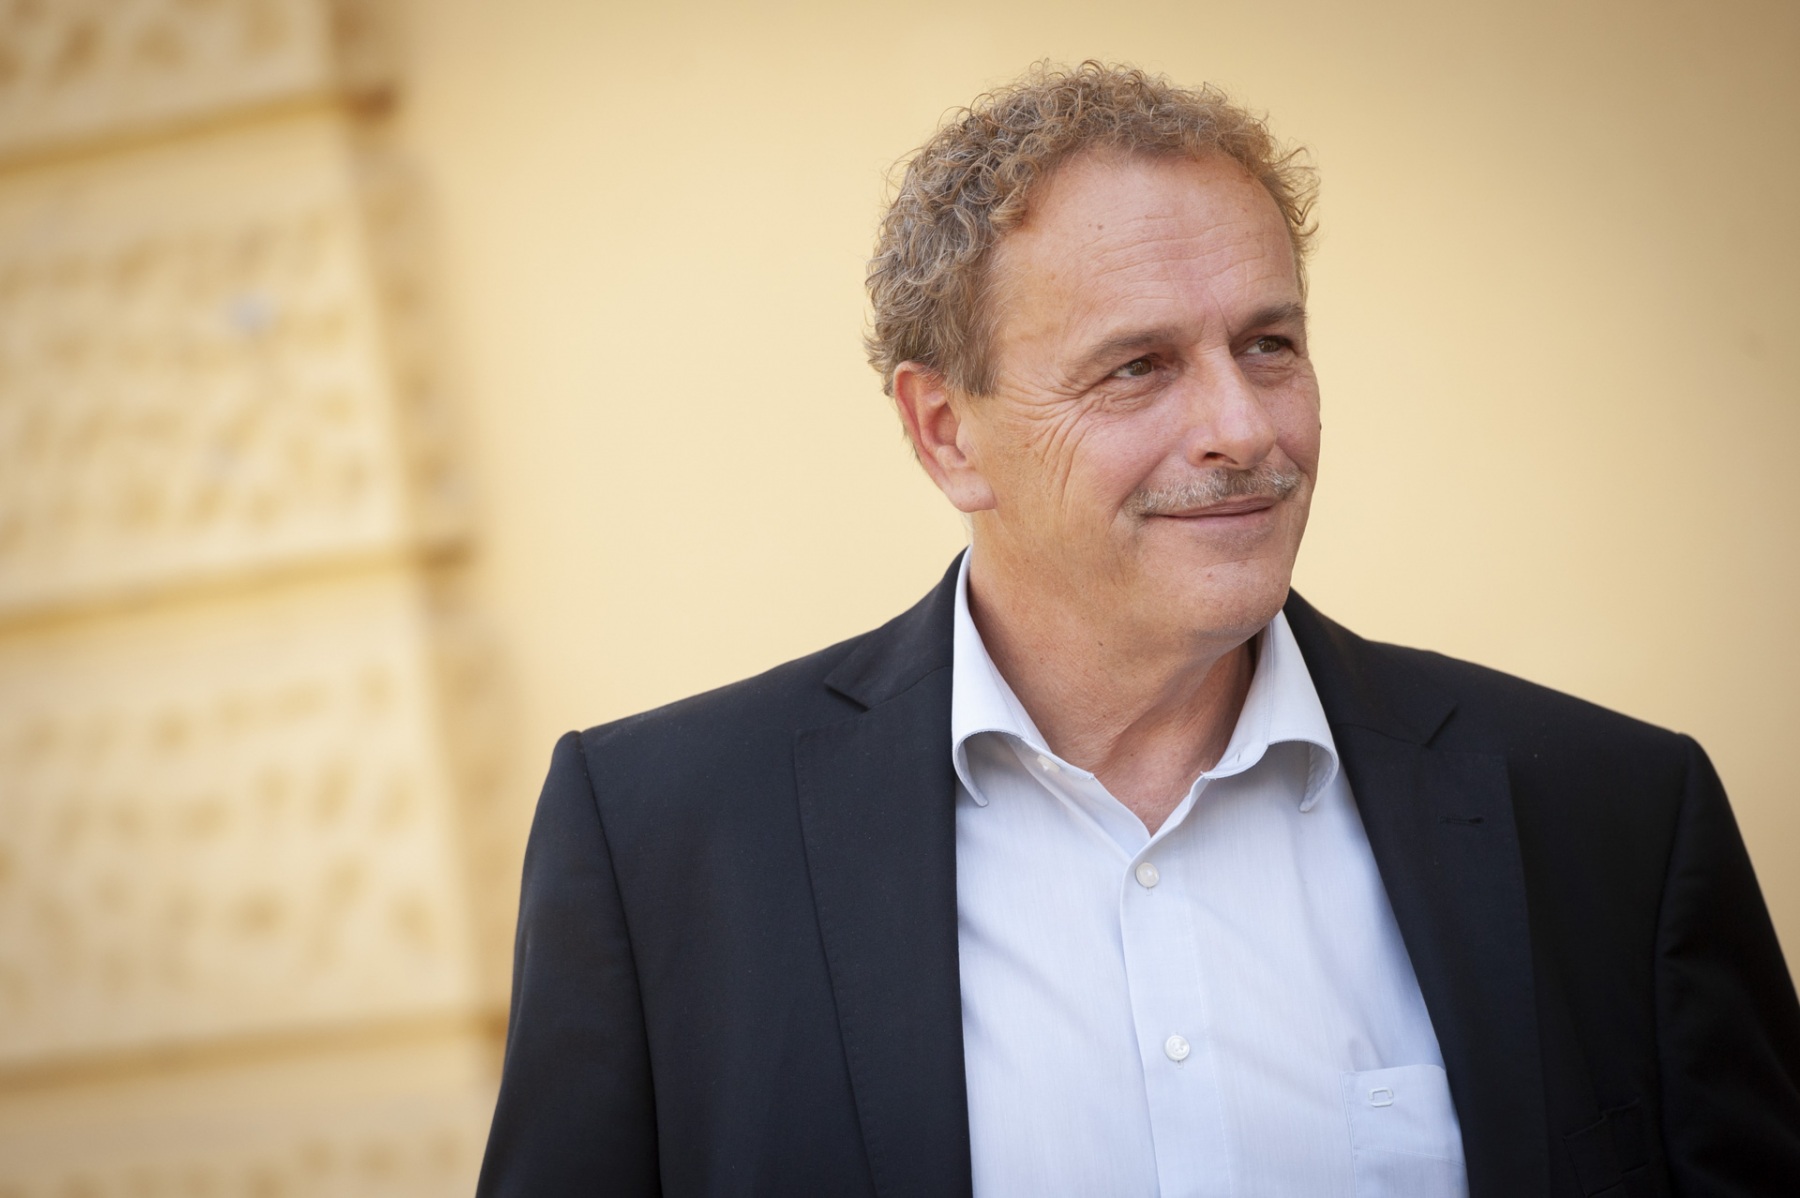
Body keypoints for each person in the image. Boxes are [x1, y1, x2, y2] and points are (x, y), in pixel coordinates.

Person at [476, 62, 1800, 1196]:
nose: (1243, 427)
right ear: (945, 433)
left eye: (1269, 344)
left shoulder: (1612, 819)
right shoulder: (663, 845)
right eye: (1138, 366)